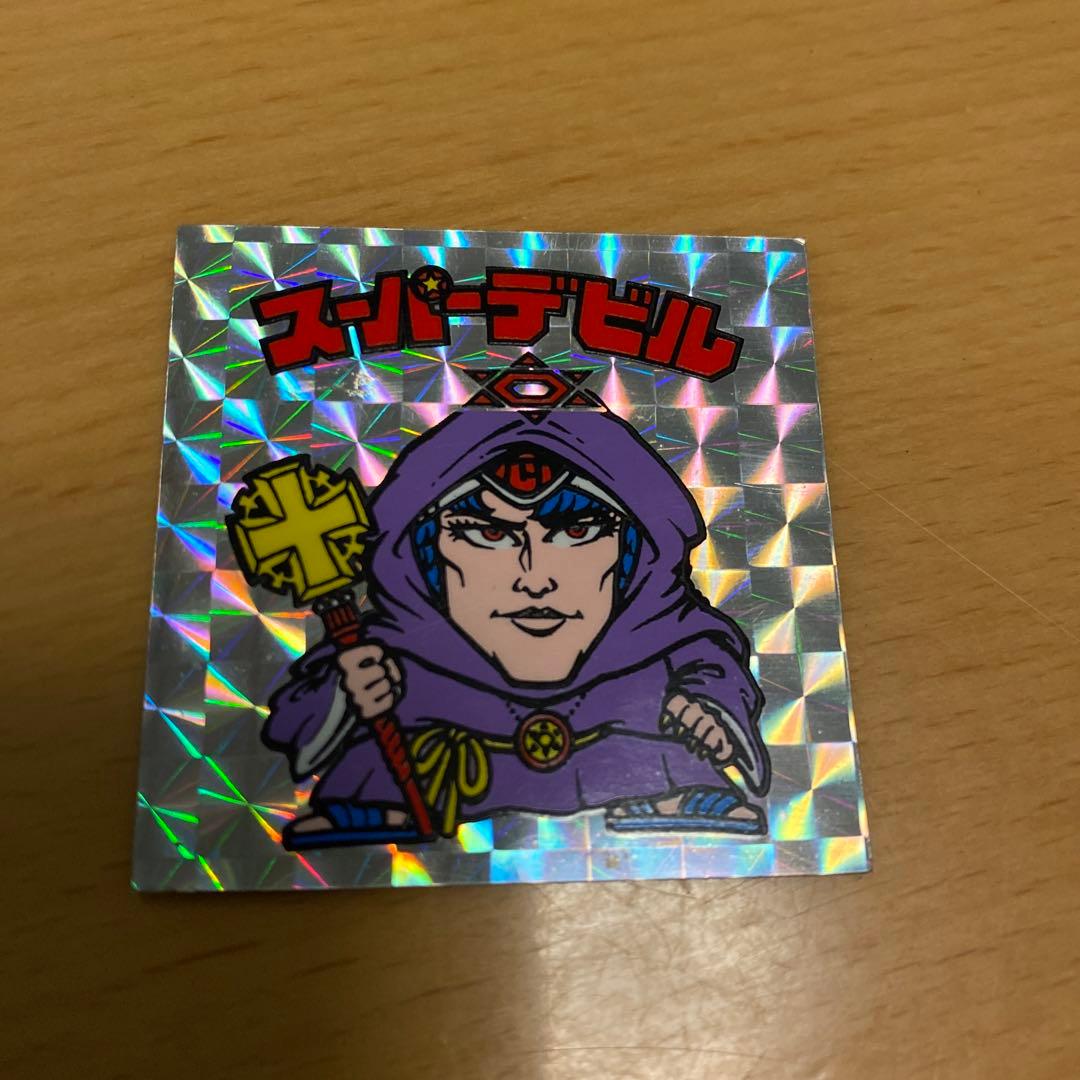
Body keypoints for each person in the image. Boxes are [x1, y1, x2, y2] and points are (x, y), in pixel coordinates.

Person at [264, 373, 770, 849]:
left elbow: (710, 665)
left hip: (641, 773)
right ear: (425, 551)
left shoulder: (663, 635)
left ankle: (676, 788)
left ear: (633, 551)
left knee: (675, 763)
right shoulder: (395, 645)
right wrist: (348, 693)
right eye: (489, 534)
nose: (534, 579)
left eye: (577, 532)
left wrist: (708, 711)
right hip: (422, 781)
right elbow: (298, 715)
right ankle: (374, 796)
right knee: (371, 772)